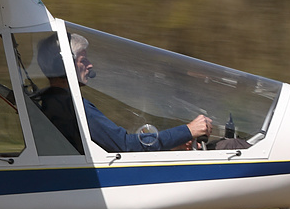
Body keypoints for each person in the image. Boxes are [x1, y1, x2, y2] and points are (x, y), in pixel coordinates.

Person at [36, 33, 211, 154]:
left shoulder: (53, 102)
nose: (90, 65)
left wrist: (173, 144)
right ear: (63, 64)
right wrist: (188, 130)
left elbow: (112, 146)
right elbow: (125, 146)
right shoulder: (71, 107)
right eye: (83, 60)